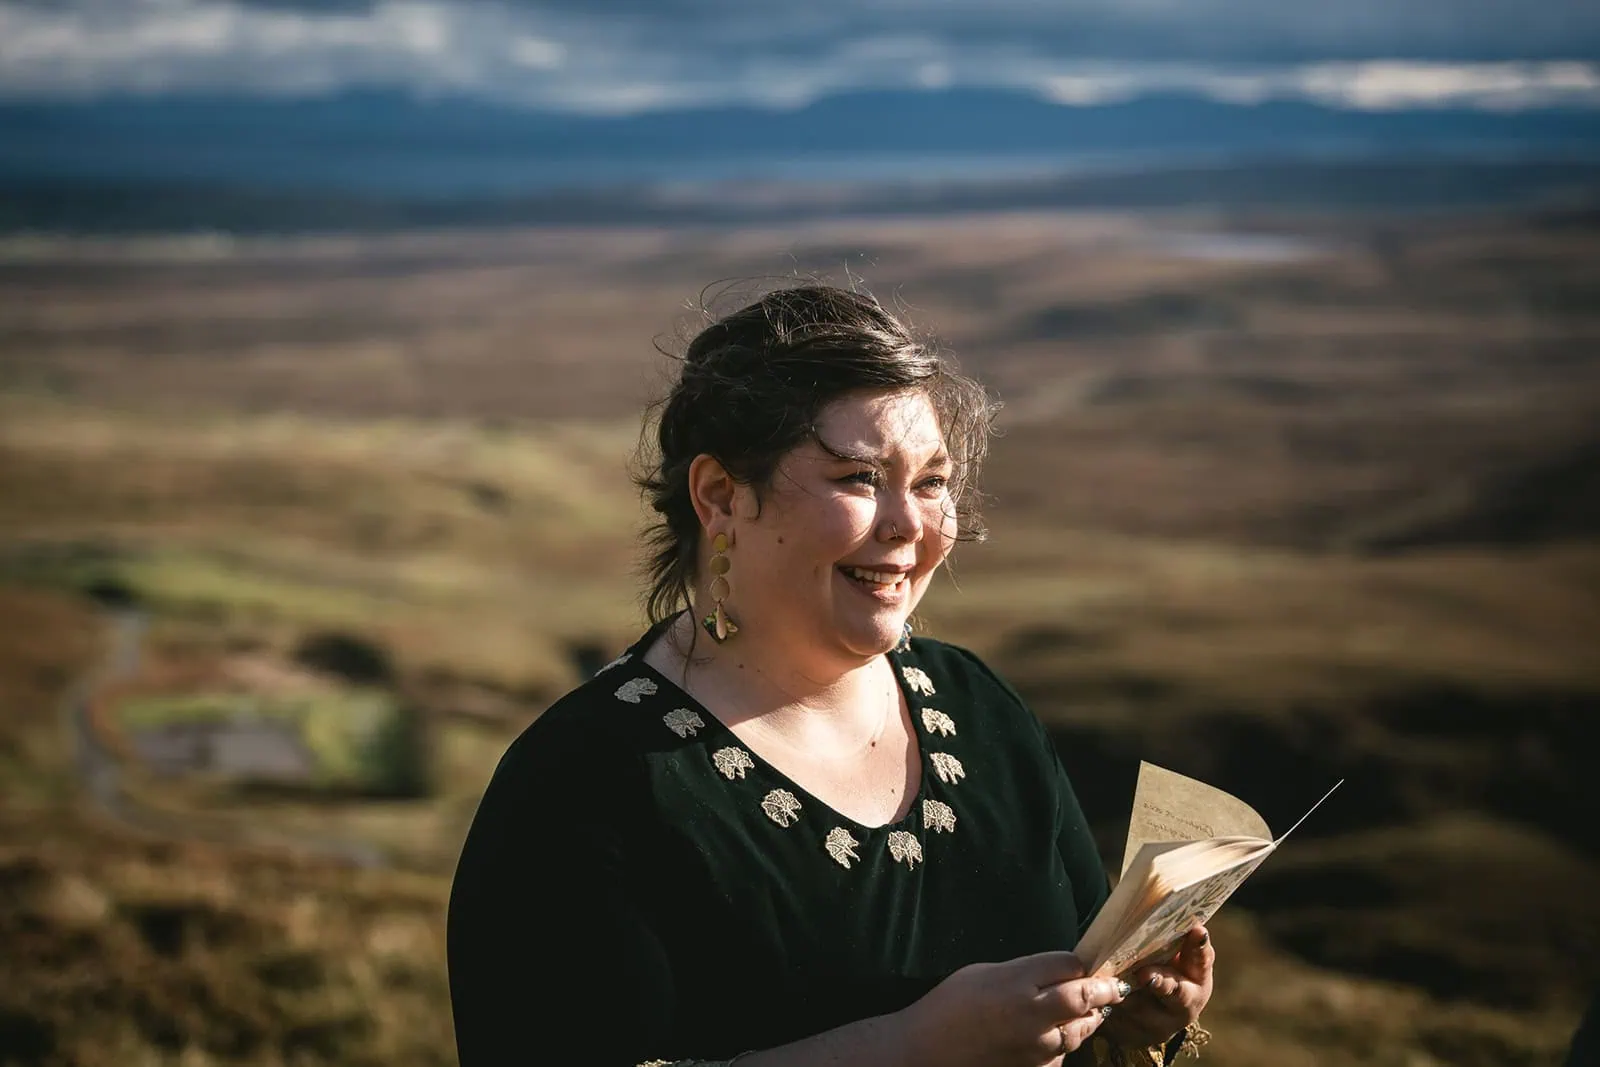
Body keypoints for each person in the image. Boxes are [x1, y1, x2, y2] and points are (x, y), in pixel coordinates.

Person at [447, 285, 1214, 1066]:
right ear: (719, 496)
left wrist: (1129, 1014)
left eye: (930, 482)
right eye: (858, 478)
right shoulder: (582, 781)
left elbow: (1077, 980)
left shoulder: (980, 708)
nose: (909, 526)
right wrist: (913, 1047)